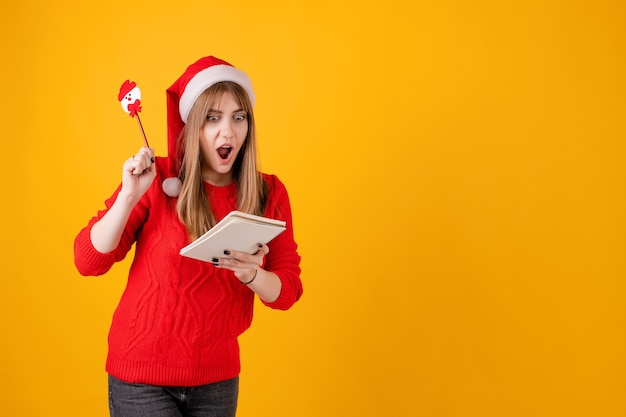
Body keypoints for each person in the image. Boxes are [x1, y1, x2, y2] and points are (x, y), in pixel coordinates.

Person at [74, 56, 303, 417]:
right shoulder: (158, 178)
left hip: (217, 378)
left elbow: (287, 291)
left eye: (237, 117)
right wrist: (128, 196)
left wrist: (251, 274)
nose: (227, 132)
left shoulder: (268, 192)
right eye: (212, 118)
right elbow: (88, 261)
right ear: (192, 125)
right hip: (142, 378)